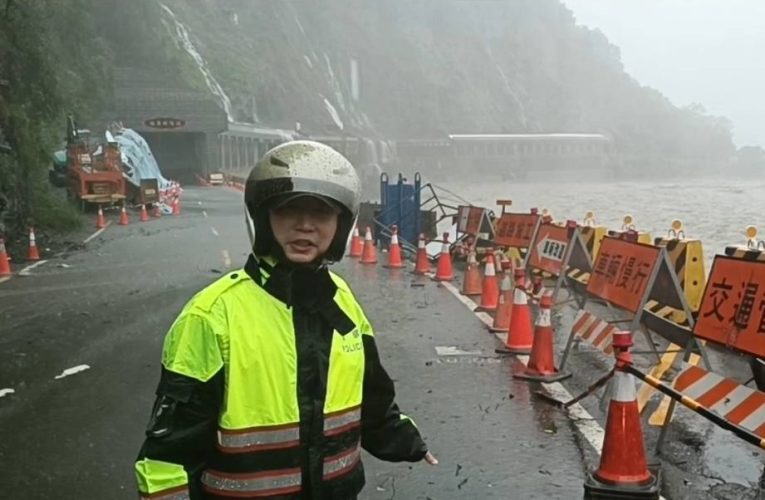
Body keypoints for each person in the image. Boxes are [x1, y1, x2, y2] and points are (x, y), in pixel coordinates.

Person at [134, 140, 436, 500]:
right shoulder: (212, 315)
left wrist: (405, 441)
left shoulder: (340, 299)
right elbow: (169, 450)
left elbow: (371, 395)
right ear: (263, 217)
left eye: (321, 214)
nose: (305, 225)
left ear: (341, 226)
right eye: (290, 210)